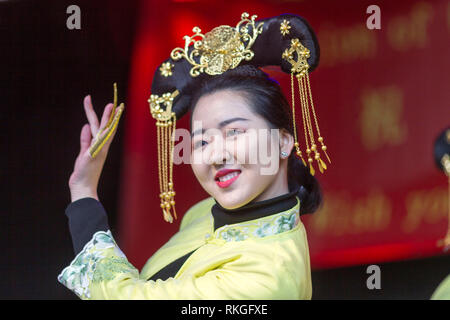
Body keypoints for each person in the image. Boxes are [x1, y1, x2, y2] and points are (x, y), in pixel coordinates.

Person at [58, 12, 330, 300]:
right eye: (201, 142)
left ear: (283, 142)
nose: (215, 155)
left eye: (234, 132)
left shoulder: (267, 278)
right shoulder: (206, 212)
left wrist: (85, 192)